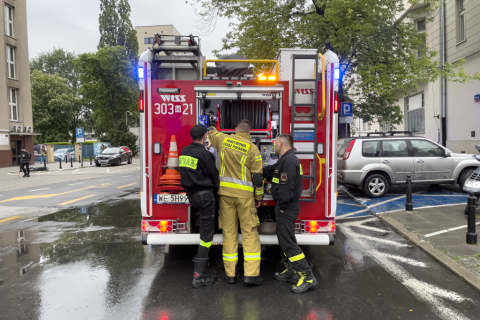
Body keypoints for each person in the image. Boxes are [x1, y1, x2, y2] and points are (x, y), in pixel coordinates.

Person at [208, 120, 264, 286]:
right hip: (245, 197)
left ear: (235, 130)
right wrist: (259, 198)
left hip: (225, 196)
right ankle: (251, 275)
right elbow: (258, 178)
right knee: (249, 233)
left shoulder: (223, 139)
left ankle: (230, 274)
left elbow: (211, 132)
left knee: (229, 233)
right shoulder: (253, 149)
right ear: (250, 133)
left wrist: (211, 124)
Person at [263, 134, 317, 293]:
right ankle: (293, 270)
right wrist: (255, 168)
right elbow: (271, 171)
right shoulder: (285, 160)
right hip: (286, 207)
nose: (273, 146)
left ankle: (307, 276)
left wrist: (282, 205)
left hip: (286, 208)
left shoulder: (289, 161)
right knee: (285, 240)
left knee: (288, 243)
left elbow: (287, 187)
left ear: (280, 144)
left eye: (275, 143)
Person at [179, 125, 220, 288]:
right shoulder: (205, 154)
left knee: (204, 229)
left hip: (192, 196)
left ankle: (200, 272)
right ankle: (199, 275)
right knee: (206, 236)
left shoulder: (184, 151)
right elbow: (214, 176)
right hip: (205, 197)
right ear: (204, 136)